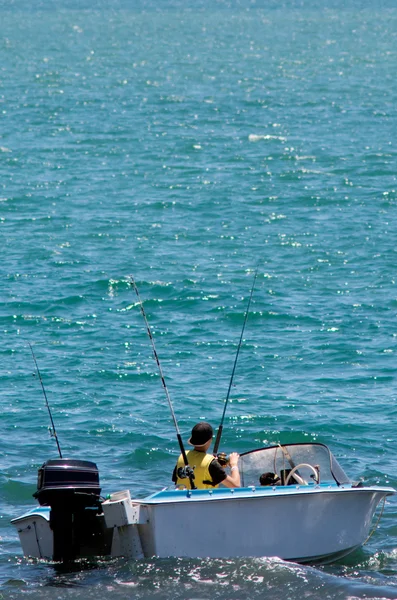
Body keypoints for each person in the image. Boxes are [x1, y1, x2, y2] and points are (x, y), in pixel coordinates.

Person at [172, 422, 240, 490]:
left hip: (182, 498)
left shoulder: (182, 457)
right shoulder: (211, 463)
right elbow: (236, 486)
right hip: (203, 499)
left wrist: (216, 466)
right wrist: (234, 465)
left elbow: (176, 480)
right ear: (210, 440)